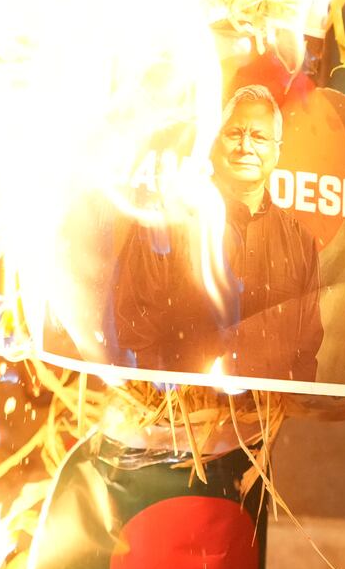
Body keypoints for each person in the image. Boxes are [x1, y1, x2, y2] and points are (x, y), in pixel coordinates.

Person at [116, 84, 324, 382]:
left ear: (278, 151)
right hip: (176, 418)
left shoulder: (299, 242)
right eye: (235, 133)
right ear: (213, 143)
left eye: (260, 137)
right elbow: (133, 332)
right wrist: (167, 406)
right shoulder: (167, 222)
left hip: (262, 421)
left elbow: (306, 348)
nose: (246, 147)